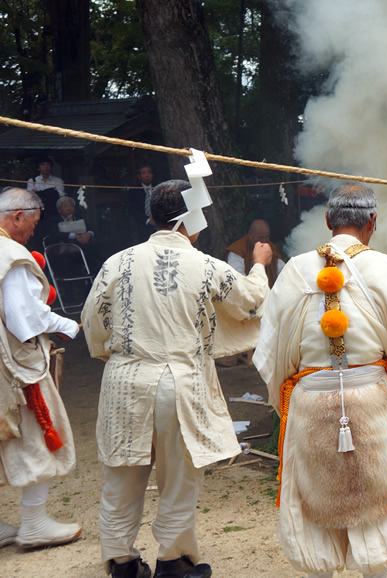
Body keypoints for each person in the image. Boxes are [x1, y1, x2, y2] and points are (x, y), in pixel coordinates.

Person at [82, 179, 272, 578]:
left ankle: (122, 564)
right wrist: (259, 264)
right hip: (178, 383)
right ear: (192, 222)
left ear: (153, 217)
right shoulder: (205, 265)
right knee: (180, 477)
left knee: (121, 475)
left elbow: (92, 322)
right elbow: (251, 301)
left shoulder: (117, 262)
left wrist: (115, 356)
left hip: (124, 379)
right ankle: (173, 561)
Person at [253, 182, 387, 577]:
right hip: (372, 399)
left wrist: (292, 391)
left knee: (316, 505)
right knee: (376, 507)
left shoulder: (296, 269)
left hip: (309, 401)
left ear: (328, 219)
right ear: (373, 222)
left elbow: (269, 350)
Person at [0, 187, 82, 549]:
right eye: (32, 223)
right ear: (18, 216)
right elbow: (25, 318)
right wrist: (70, 326)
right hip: (15, 366)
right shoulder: (10, 254)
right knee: (38, 435)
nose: (34, 231)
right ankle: (33, 523)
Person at [226, 219, 286, 288]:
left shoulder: (270, 248)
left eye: (267, 237)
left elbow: (282, 270)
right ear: (250, 235)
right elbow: (238, 279)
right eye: (261, 237)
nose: (264, 241)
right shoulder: (237, 251)